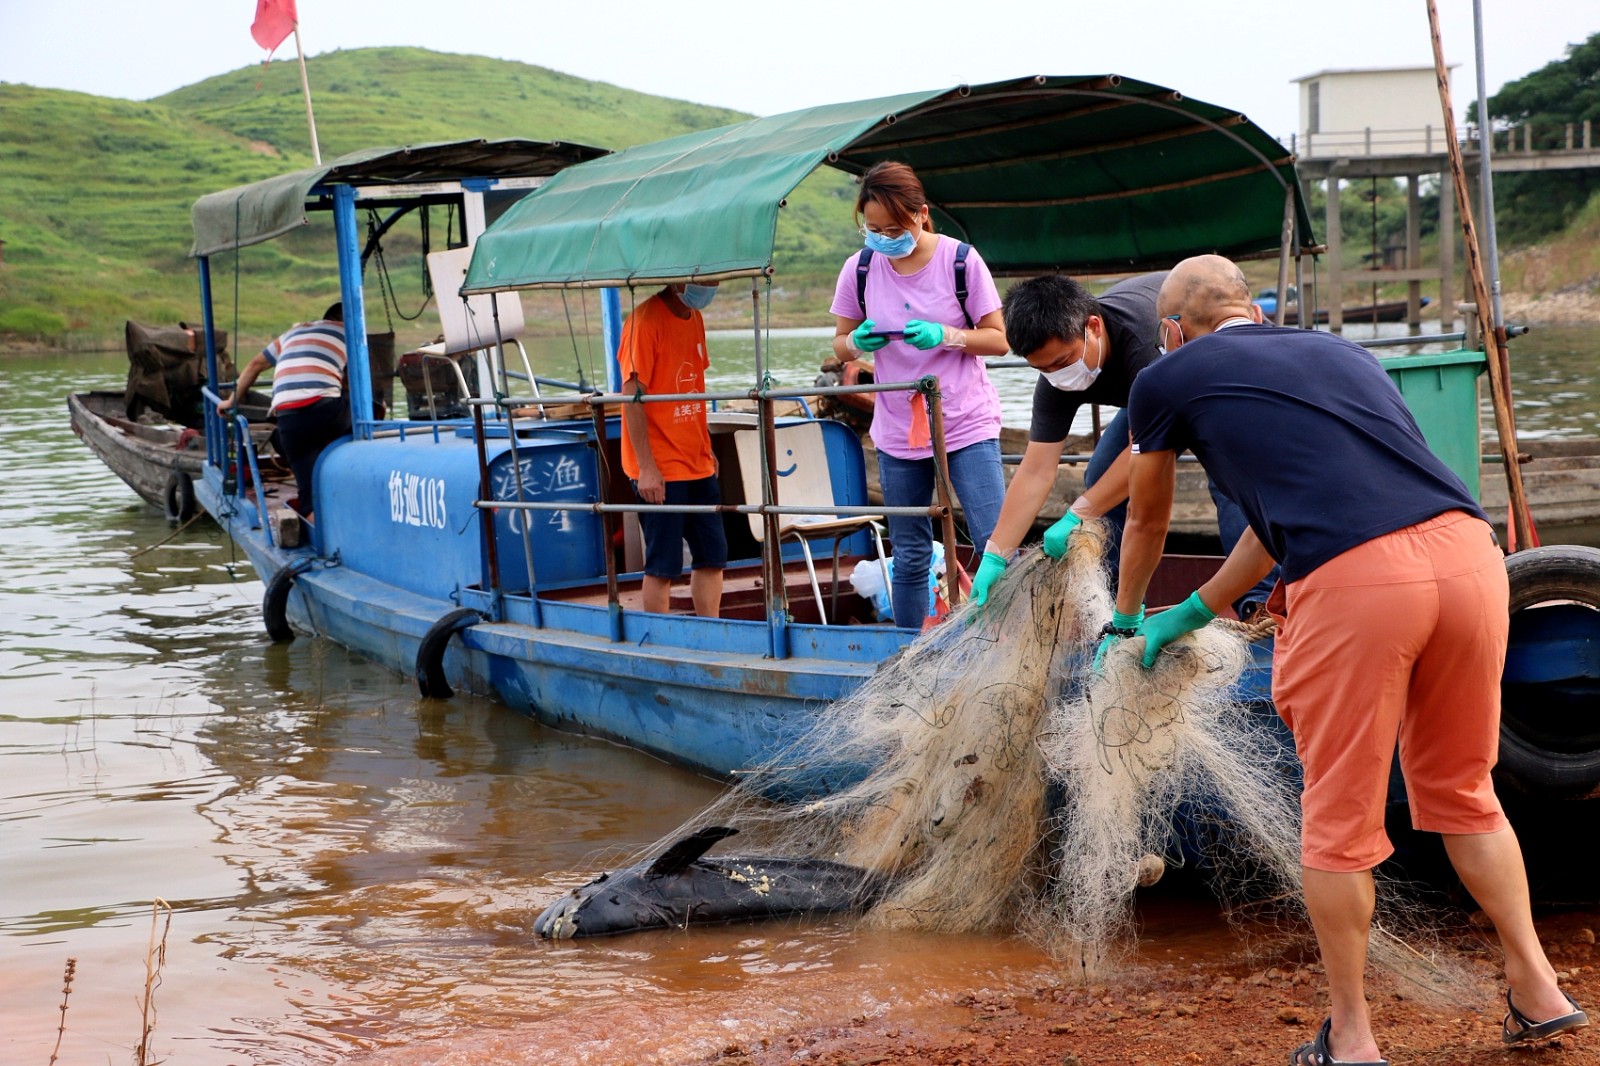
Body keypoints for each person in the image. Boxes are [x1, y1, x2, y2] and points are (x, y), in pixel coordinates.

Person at [1108, 254, 1586, 1066]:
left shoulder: (1167, 376)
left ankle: (1353, 1037)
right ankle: (1540, 989)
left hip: (1361, 586)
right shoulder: (1342, 353)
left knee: (1337, 823)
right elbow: (1286, 519)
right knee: (1467, 792)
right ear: (1256, 312)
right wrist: (1195, 611)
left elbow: (1146, 522)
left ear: (1169, 330)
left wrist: (1126, 623)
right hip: (1472, 561)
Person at [969, 273, 1276, 620]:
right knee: (1100, 474)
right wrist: (996, 553)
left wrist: (1078, 513)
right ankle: (1115, 607)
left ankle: (1259, 603)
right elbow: (1037, 469)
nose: (1057, 376)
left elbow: (1142, 451)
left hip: (1220, 372)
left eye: (1062, 362)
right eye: (1043, 369)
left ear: (1094, 327)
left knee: (1230, 477)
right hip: (1153, 394)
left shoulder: (1145, 341)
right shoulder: (1054, 380)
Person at [830, 161, 1009, 629]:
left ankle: (1007, 646)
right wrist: (856, 345)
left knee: (995, 539)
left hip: (964, 420)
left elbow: (997, 338)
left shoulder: (960, 261)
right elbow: (841, 339)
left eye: (894, 227)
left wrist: (947, 335)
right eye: (873, 228)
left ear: (921, 215)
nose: (884, 237)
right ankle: (907, 651)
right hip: (896, 428)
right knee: (909, 552)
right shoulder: (861, 269)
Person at [618, 281, 726, 617]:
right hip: (661, 465)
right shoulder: (645, 322)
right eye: (706, 280)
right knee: (662, 563)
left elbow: (692, 388)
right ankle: (660, 639)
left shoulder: (693, 316)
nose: (712, 287)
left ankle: (712, 630)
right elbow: (631, 398)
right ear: (680, 279)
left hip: (697, 460)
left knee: (712, 556)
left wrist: (706, 447)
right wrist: (647, 467)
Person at [219, 301, 349, 520]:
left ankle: (318, 540)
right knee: (372, 412)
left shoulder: (294, 331)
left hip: (288, 419)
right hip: (326, 411)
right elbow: (359, 384)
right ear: (347, 320)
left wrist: (230, 402)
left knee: (308, 497)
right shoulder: (349, 333)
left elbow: (255, 365)